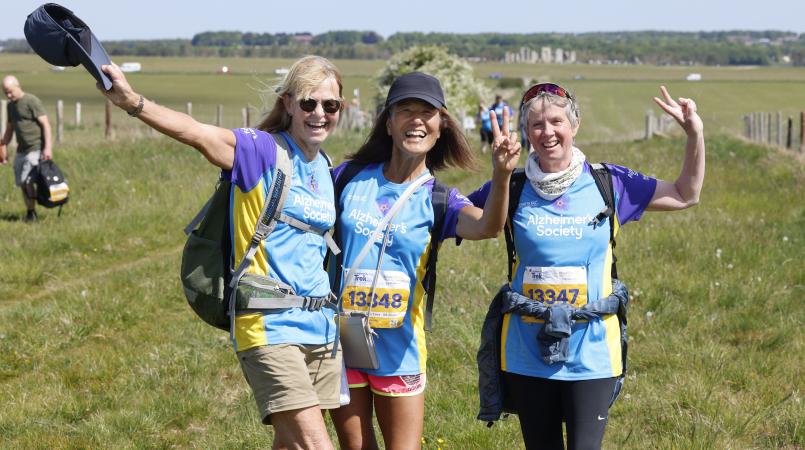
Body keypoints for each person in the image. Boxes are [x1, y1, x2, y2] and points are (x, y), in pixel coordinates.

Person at [97, 55, 345, 449]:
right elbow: (197, 132)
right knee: (316, 445)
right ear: (288, 104)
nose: (319, 114)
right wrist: (133, 102)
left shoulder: (324, 165)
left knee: (291, 442)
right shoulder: (261, 151)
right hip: (269, 325)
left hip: (320, 326)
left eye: (330, 105)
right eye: (308, 103)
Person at [470, 82, 705, 450]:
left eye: (556, 121)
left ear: (575, 125)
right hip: (525, 349)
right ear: (525, 133)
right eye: (536, 125)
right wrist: (499, 175)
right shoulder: (512, 186)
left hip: (592, 348)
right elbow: (465, 221)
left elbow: (685, 194)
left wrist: (694, 134)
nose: (547, 132)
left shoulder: (608, 182)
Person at [329, 72, 520, 450]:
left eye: (427, 112)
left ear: (440, 125)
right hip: (342, 335)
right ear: (388, 121)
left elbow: (487, 227)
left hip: (400, 346)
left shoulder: (439, 199)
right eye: (405, 110)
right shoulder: (347, 177)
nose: (416, 119)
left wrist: (502, 176)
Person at [0, 75, 53, 222]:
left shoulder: (31, 101)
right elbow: (10, 128)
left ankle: (33, 212)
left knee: (27, 181)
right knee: (22, 183)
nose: (9, 95)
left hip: (35, 148)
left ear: (18, 86)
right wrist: (3, 143)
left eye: (10, 91)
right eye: (6, 93)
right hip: (21, 150)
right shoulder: (10, 106)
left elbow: (46, 125)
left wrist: (47, 148)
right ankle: (31, 211)